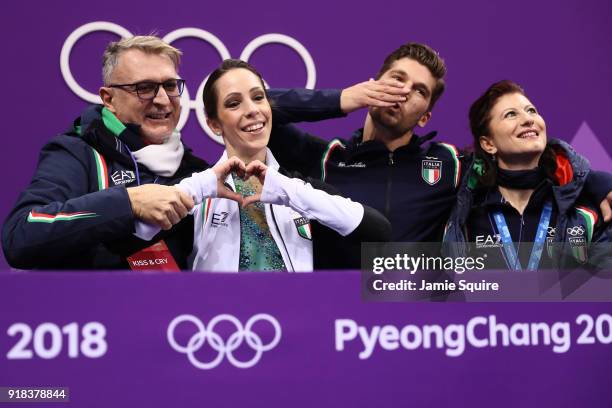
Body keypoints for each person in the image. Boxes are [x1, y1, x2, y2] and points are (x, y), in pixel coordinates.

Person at [266, 42, 612, 245]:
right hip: (337, 319)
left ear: (425, 117)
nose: (403, 91)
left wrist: (601, 186)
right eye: (396, 79)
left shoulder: (451, 163)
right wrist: (342, 99)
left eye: (419, 91)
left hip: (419, 329)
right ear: (372, 84)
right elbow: (257, 108)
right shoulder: (326, 157)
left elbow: (529, 161)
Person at [136, 59, 391, 271]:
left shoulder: (298, 188)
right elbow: (135, 241)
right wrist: (198, 188)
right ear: (214, 124)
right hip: (221, 327)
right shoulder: (197, 190)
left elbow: (378, 231)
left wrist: (286, 190)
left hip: (300, 326)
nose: (252, 110)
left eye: (258, 98)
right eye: (234, 103)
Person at [1, 36, 206, 269]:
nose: (162, 100)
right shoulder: (78, 153)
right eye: (145, 88)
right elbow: (20, 234)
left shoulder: (195, 172)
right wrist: (128, 203)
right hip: (90, 304)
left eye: (170, 85)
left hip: (176, 305)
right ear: (109, 99)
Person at [443, 80, 611, 270]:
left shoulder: (582, 208)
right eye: (511, 114)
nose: (528, 119)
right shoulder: (464, 211)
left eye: (531, 110)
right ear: (488, 144)